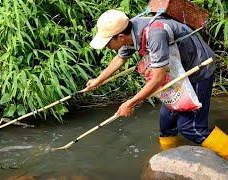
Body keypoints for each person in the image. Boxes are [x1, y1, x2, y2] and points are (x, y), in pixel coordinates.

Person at [82, 9, 228, 159]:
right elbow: (120, 58)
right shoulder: (128, 33)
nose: (106, 47)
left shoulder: (154, 34)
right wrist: (97, 81)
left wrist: (131, 103)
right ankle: (170, 161)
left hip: (198, 69)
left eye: (107, 43)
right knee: (166, 124)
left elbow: (157, 79)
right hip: (178, 70)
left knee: (191, 127)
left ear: (120, 38)